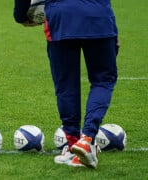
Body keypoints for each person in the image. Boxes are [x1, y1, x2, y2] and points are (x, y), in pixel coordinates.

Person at [13, 0, 119, 169]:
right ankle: (87, 139)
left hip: (60, 18)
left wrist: (21, 15)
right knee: (103, 79)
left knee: (66, 84)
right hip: (99, 18)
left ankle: (73, 146)